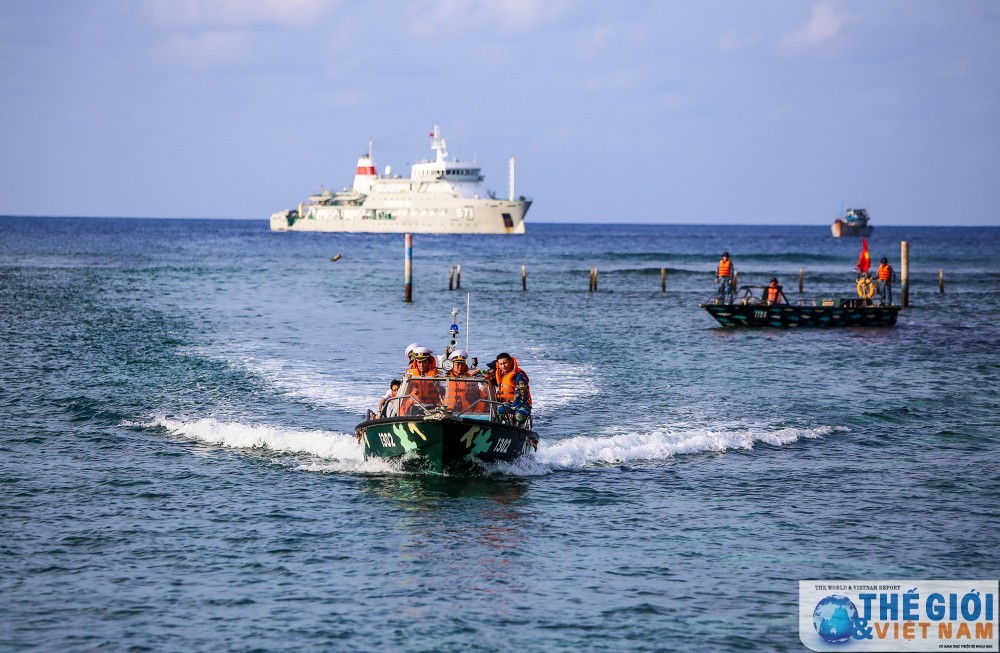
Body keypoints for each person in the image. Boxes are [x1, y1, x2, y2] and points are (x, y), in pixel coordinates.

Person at [492, 352, 531, 427]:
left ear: (510, 362)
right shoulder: (501, 374)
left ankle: (521, 429)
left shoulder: (519, 376)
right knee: (500, 411)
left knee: (519, 416)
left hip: (521, 404)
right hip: (507, 403)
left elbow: (521, 394)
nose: (503, 366)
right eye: (501, 364)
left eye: (505, 363)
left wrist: (513, 410)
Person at [402, 348, 443, 413]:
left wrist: (437, 385)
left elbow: (443, 393)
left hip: (432, 406)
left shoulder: (437, 375)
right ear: (416, 362)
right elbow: (404, 393)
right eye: (419, 362)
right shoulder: (410, 374)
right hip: (415, 406)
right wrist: (408, 382)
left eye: (424, 362)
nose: (421, 365)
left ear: (429, 362)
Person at [445, 349, 484, 413]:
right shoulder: (444, 379)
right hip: (447, 411)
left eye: (462, 364)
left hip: (464, 412)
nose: (460, 367)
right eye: (457, 364)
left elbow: (482, 388)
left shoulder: (471, 379)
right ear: (452, 364)